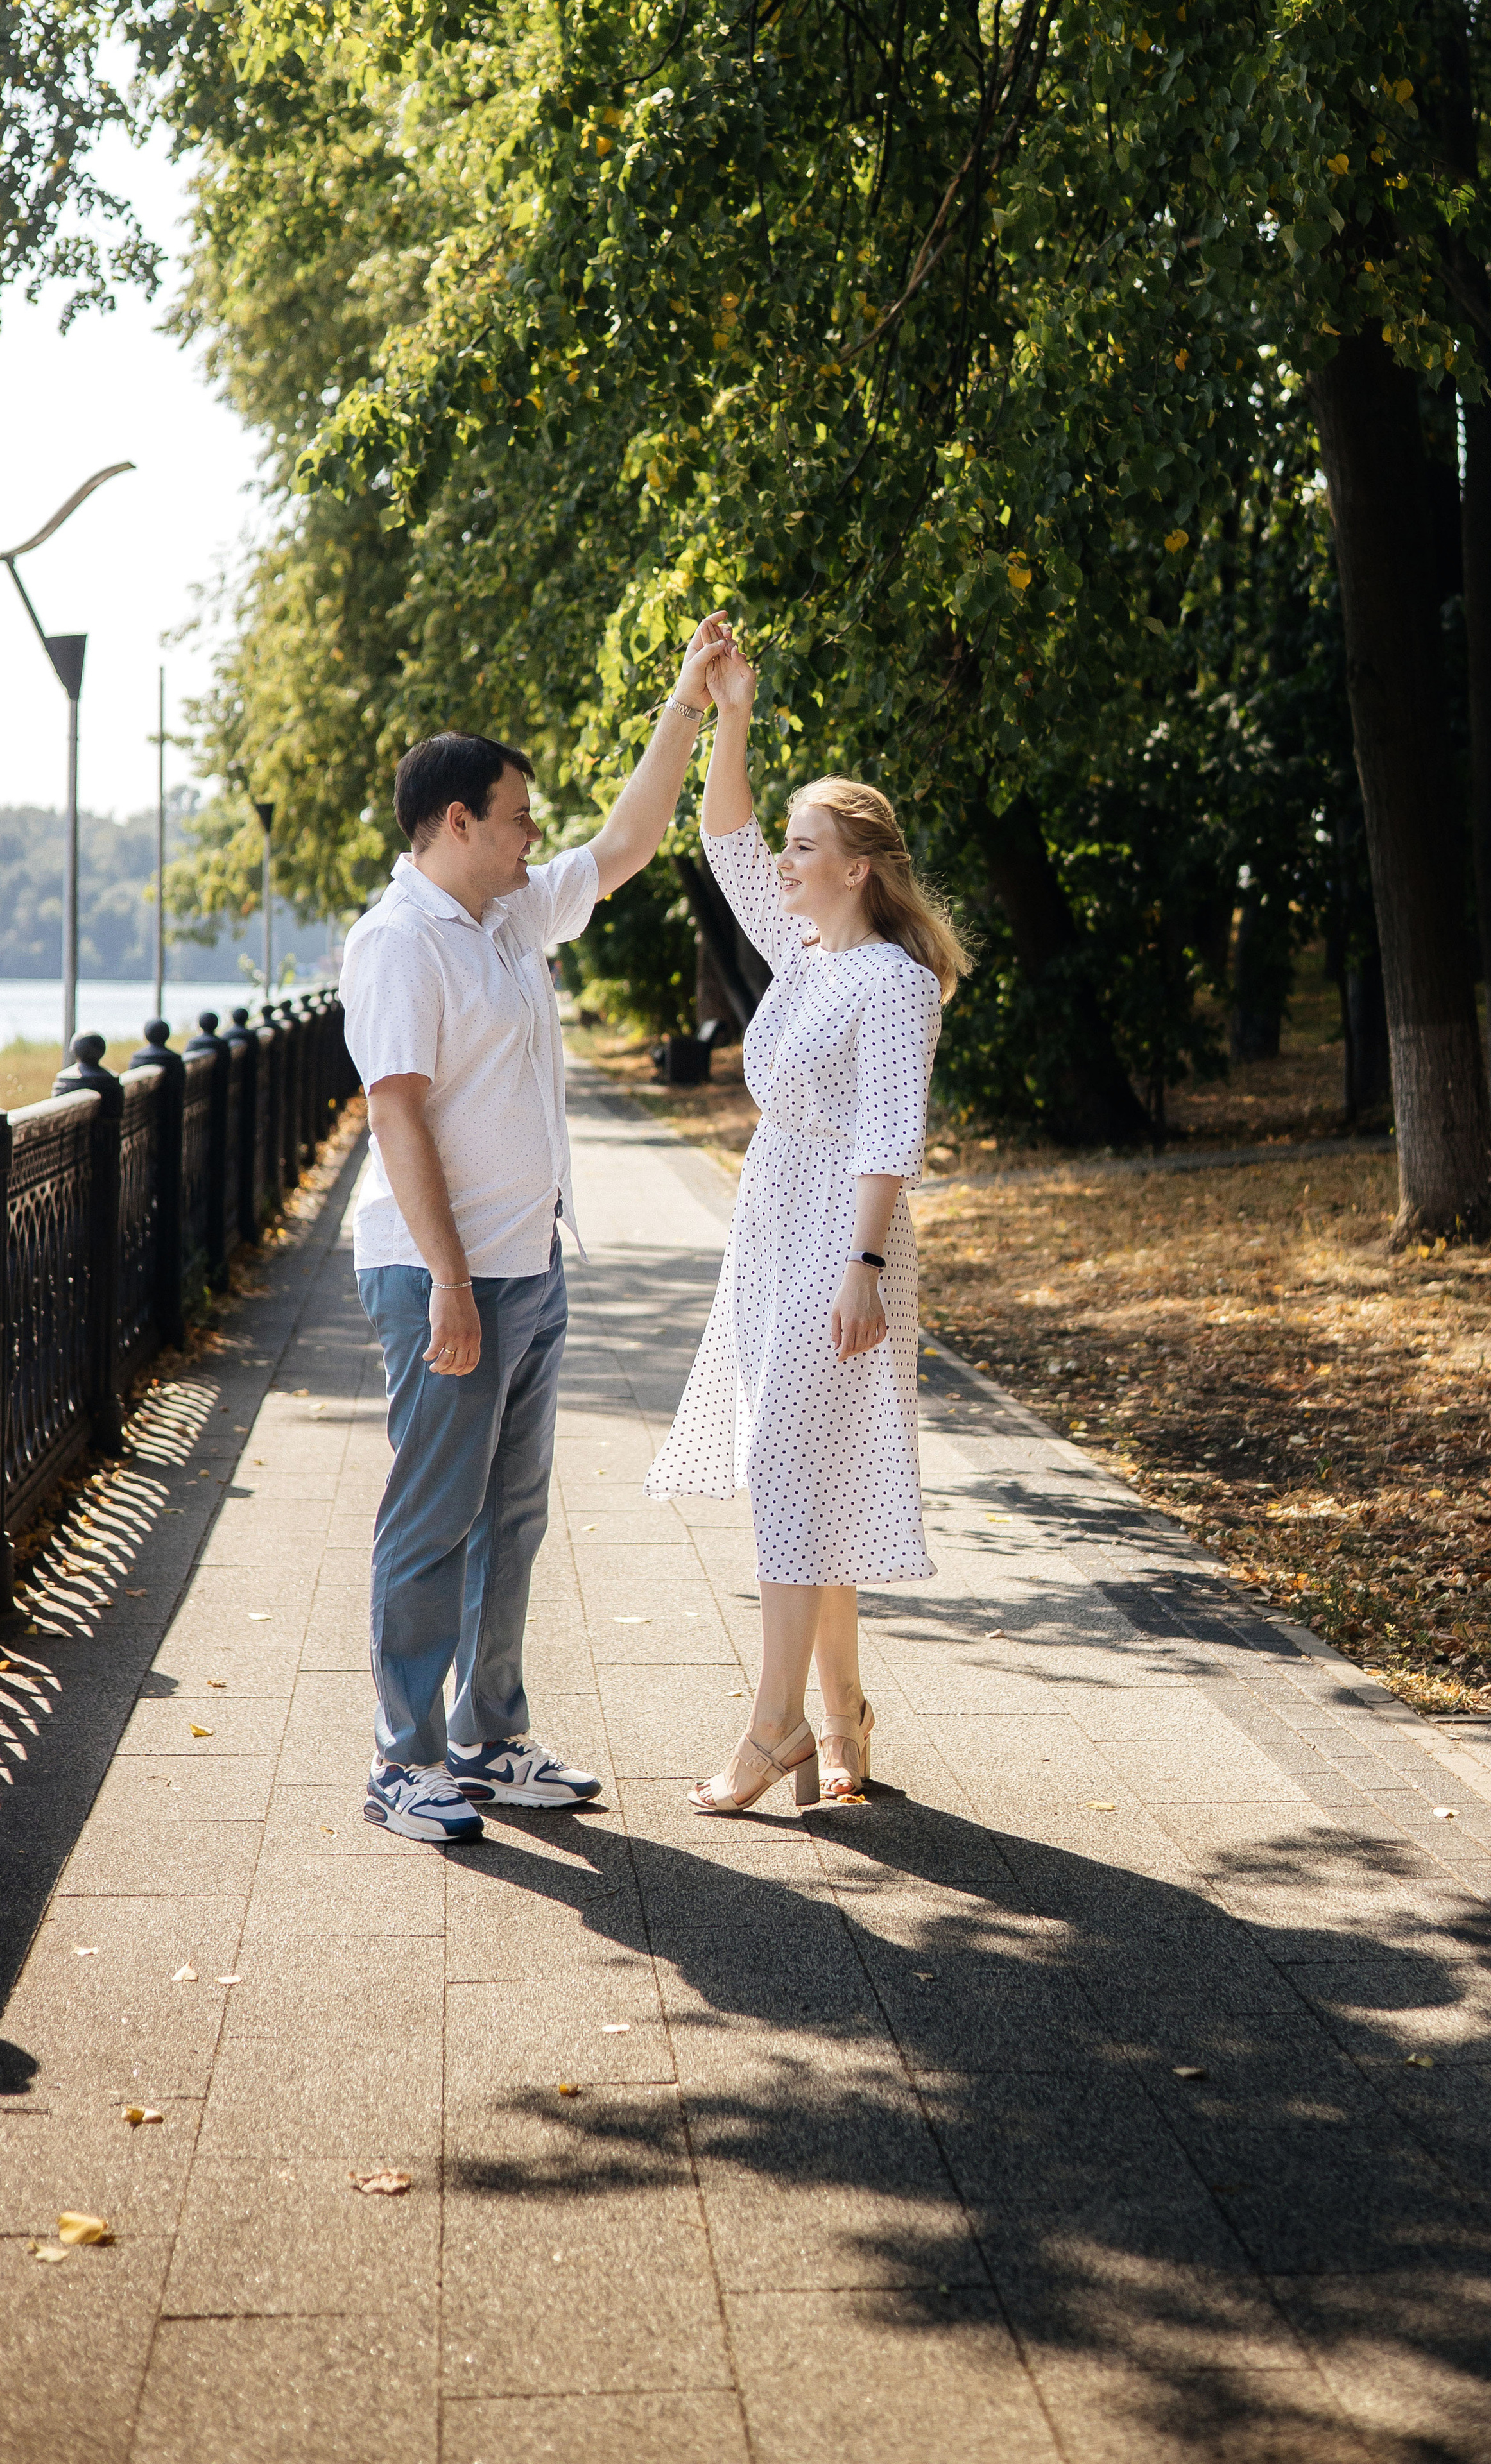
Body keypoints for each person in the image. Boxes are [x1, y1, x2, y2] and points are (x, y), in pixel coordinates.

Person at [341, 615, 731, 1843]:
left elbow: (626, 844)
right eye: (515, 816)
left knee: (512, 1515)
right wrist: (453, 1283)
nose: (530, 836)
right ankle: (402, 1760)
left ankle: (489, 1739)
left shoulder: (503, 916)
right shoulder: (398, 942)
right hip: (440, 1278)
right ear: (454, 821)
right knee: (431, 1517)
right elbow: (398, 1120)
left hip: (528, 1266)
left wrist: (689, 703)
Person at [644, 636, 971, 1811]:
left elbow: (895, 1133)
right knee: (807, 1475)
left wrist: (866, 1268)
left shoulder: (887, 981)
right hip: (777, 1228)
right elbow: (723, 839)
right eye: (790, 845)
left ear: (857, 869)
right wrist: (729, 712)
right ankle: (846, 1722)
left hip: (843, 1239)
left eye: (805, 847)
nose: (783, 860)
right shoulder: (807, 952)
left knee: (787, 1470)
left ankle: (775, 1726)